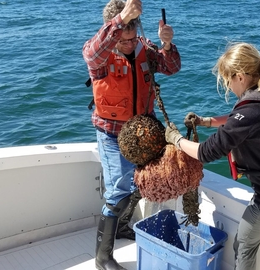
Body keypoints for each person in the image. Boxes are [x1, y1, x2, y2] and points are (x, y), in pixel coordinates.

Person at [165, 42, 260, 270]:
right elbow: (239, 119)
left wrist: (176, 140)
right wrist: (206, 121)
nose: (229, 85)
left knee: (243, 244)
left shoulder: (252, 111)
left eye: (228, 79)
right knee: (252, 228)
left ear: (240, 76)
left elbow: (206, 152)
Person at [82, 0, 181, 269]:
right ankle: (103, 258)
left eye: (132, 37)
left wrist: (167, 45)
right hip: (112, 133)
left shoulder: (144, 48)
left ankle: (124, 227)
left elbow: (171, 67)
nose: (128, 44)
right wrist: (120, 19)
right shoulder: (101, 56)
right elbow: (90, 53)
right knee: (118, 192)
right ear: (113, 31)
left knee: (142, 183)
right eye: (123, 39)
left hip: (143, 132)